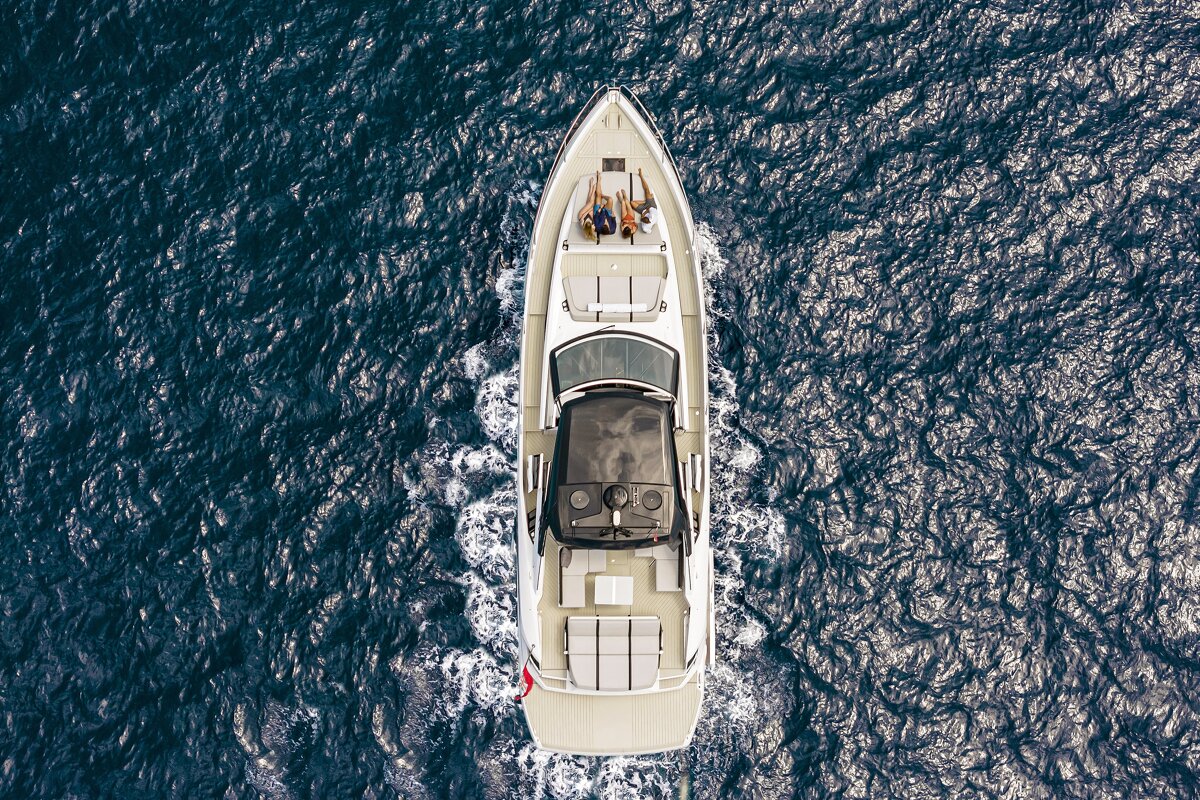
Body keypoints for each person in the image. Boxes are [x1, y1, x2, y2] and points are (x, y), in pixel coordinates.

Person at [576, 171, 616, 239]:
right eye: (606, 223)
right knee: (610, 199)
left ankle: (599, 180)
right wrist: (613, 216)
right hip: (608, 213)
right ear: (609, 228)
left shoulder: (597, 226)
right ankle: (602, 195)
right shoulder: (612, 230)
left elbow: (596, 216)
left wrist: (601, 208)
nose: (605, 221)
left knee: (598, 196)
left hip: (598, 212)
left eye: (604, 223)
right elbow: (614, 221)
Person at [630, 167, 660, 233]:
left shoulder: (645, 227)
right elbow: (649, 208)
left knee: (631, 202)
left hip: (643, 210)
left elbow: (649, 231)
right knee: (647, 190)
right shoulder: (653, 215)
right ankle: (641, 175)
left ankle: (646, 200)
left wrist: (642, 215)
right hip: (651, 206)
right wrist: (645, 212)